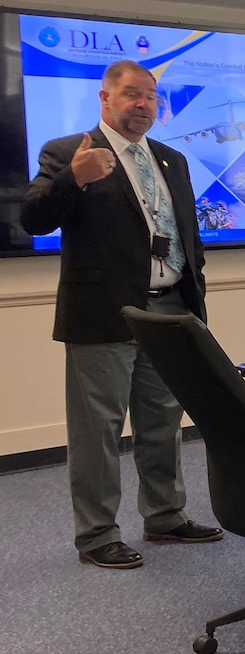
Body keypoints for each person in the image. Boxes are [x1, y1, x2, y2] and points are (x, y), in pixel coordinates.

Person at [21, 59, 221, 569]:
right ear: (105, 98)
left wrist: (192, 294)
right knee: (99, 431)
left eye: (151, 96)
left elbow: (186, 235)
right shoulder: (69, 151)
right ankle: (96, 534)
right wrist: (74, 179)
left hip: (170, 311)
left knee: (162, 422)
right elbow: (33, 219)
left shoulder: (173, 159)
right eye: (132, 94)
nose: (143, 105)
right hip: (104, 314)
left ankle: (165, 516)